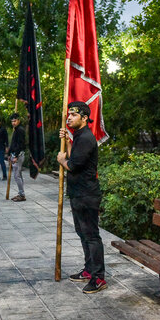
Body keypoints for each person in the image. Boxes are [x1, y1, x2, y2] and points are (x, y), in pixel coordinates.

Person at [56, 101, 107, 294]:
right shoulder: (78, 136)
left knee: (91, 236)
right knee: (82, 233)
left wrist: (62, 161)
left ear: (84, 118)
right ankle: (89, 270)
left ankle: (99, 277)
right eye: (68, 114)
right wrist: (68, 142)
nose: (69, 117)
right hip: (78, 193)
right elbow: (75, 157)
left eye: (73, 115)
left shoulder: (86, 137)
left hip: (87, 195)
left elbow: (74, 165)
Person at [8, 113, 26, 201]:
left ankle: (22, 194)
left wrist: (15, 156)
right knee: (18, 175)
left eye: (15, 121)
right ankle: (21, 193)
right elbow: (13, 143)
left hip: (18, 155)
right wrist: (9, 154)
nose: (13, 123)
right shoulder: (16, 129)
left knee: (17, 175)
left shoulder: (20, 130)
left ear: (18, 120)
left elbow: (20, 144)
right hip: (14, 154)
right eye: (12, 121)